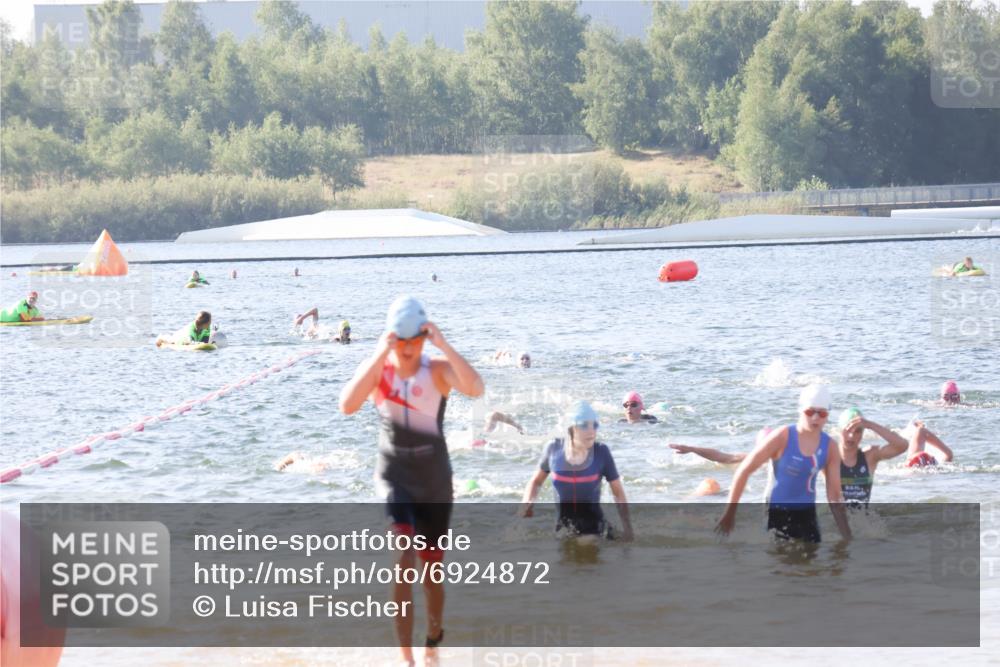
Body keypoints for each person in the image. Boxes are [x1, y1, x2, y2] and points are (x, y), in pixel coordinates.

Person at [339, 296, 484, 667]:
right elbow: (347, 404)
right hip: (394, 476)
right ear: (391, 338)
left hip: (434, 479)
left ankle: (433, 640)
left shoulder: (436, 368)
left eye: (414, 342)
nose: (407, 351)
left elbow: (475, 387)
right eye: (400, 343)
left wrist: (443, 344)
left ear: (423, 338)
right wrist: (377, 354)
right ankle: (406, 659)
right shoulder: (379, 371)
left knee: (432, 570)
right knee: (403, 557)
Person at [673, 407, 912, 507]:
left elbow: (902, 445)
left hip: (863, 521)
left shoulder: (869, 457)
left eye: (858, 431)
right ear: (839, 431)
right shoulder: (826, 455)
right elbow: (729, 457)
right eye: (848, 429)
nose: (852, 435)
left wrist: (870, 423)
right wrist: (694, 449)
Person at [716, 385, 851, 543]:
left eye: (821, 413)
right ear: (800, 410)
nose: (815, 418)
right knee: (778, 563)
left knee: (813, 563)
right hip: (776, 510)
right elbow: (744, 470)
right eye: (810, 412)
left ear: (828, 414)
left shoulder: (830, 447)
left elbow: (834, 495)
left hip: (807, 513)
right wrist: (729, 513)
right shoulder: (783, 436)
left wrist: (847, 537)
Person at [520, 401, 634, 541]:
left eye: (595, 425)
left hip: (596, 530)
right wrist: (527, 504)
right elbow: (536, 481)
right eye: (584, 425)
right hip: (563, 529)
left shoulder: (601, 452)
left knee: (587, 545)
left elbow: (618, 492)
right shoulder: (553, 449)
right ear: (571, 428)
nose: (592, 431)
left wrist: (627, 527)